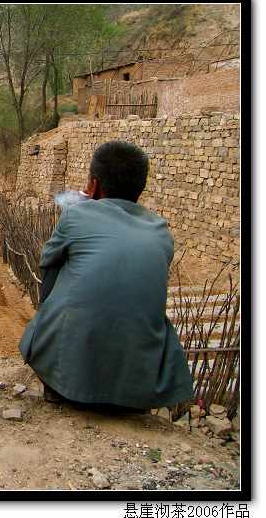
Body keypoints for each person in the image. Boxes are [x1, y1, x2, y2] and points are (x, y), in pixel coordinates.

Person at [19, 140, 193, 412]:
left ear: (94, 185)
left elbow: (48, 264)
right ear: (140, 187)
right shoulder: (161, 231)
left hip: (69, 383)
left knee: (59, 285)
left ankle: (58, 372)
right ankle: (128, 392)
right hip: (140, 389)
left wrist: (45, 311)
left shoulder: (77, 216)